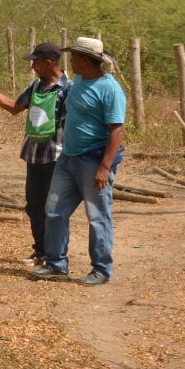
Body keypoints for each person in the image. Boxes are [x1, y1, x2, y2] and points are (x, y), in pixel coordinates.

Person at [31, 37, 126, 286]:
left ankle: (101, 269)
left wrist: (104, 168)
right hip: (68, 158)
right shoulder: (80, 80)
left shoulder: (110, 89)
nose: (69, 60)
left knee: (97, 216)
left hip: (93, 160)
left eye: (73, 56)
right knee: (54, 211)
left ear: (85, 59)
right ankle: (56, 264)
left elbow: (116, 130)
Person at [0, 42, 71, 268]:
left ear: (49, 63)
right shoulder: (35, 87)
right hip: (34, 155)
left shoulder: (69, 89)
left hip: (56, 157)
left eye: (35, 61)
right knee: (34, 206)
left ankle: (56, 257)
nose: (33, 66)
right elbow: (14, 107)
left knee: (53, 209)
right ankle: (41, 252)